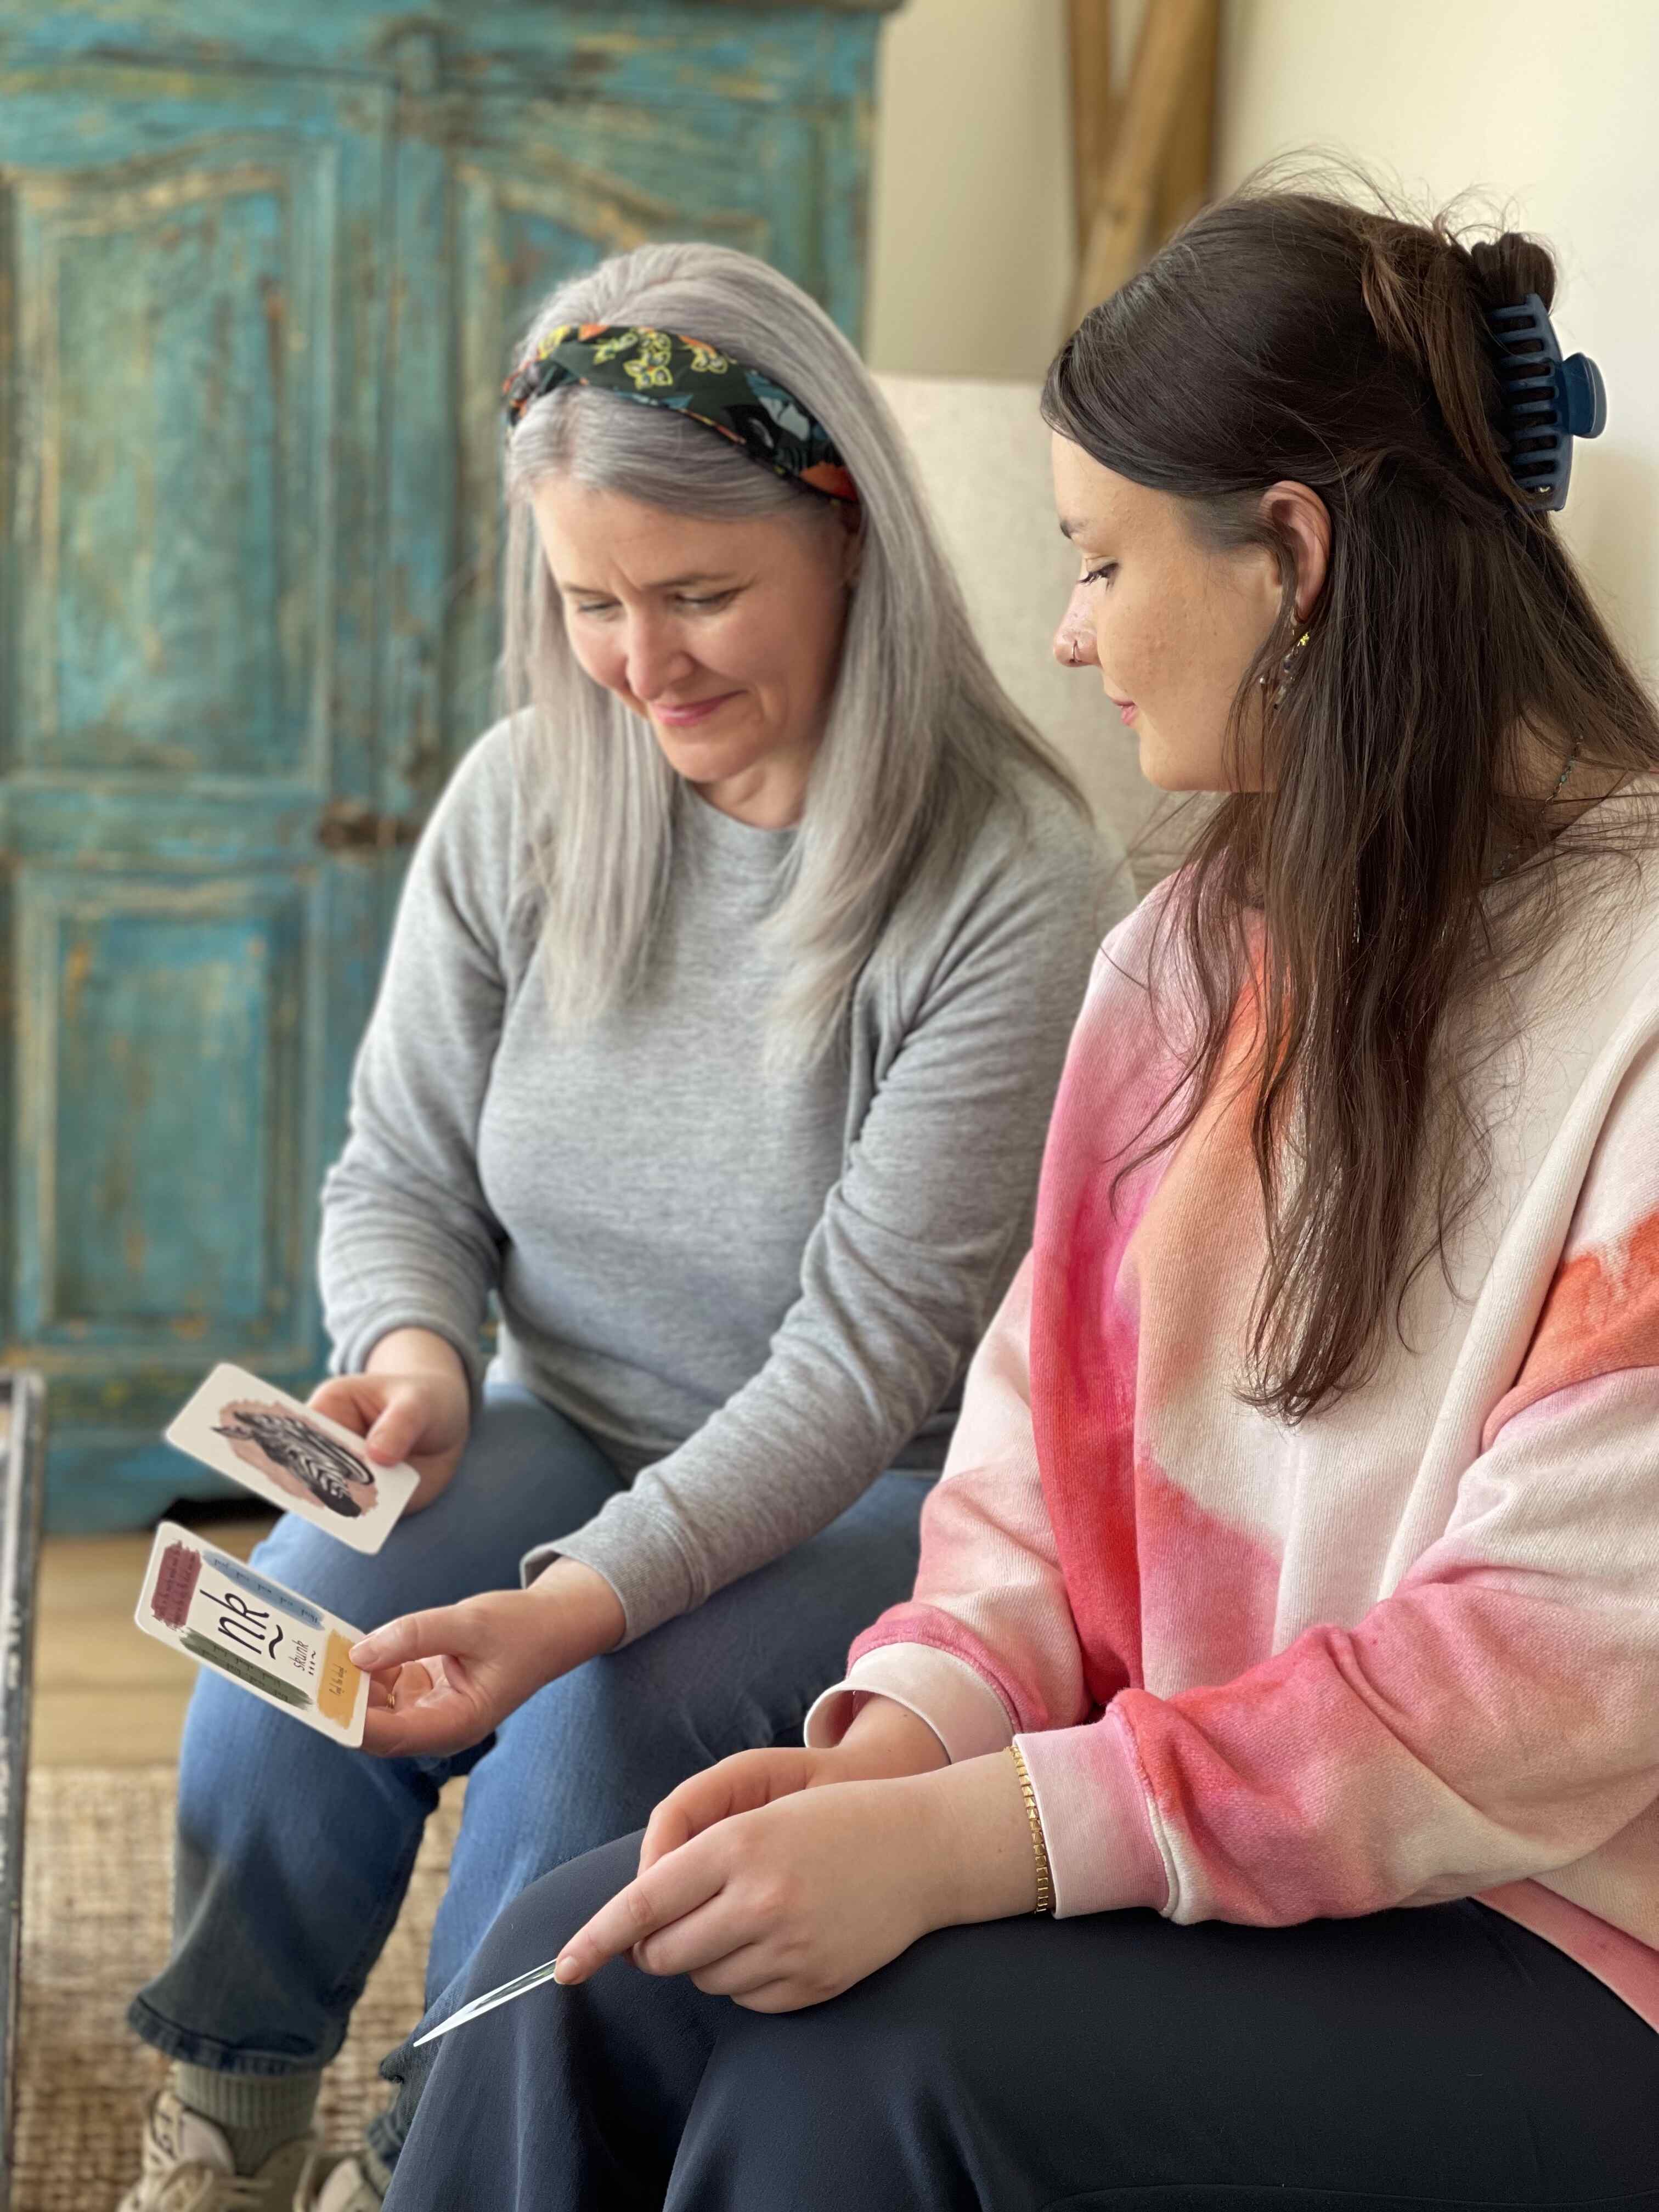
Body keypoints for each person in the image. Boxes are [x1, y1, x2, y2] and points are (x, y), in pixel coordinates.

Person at [379, 184, 1659, 2211]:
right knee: (585, 1955)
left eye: (1098, 560)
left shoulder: (1640, 1010)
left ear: (1295, 562)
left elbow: (1542, 1697)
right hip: (1191, 1827)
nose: (1065, 628)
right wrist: (891, 1754)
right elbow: (1025, 1486)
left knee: (848, 2090)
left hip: (1548, 1930)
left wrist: (979, 1838)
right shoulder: (1181, 962)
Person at [117, 245, 1119, 2211]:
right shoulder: (523, 798)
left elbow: (858, 1369)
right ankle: (231, 2115)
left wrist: (573, 1605)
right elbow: (399, 1171)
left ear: (846, 537)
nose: (640, 663)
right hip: (563, 1401)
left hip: (878, 1482)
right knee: (292, 1634)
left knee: (585, 1751)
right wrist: (409, 1354)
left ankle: (446, 2158)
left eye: (698, 597)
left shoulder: (1016, 878)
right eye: (591, 602)